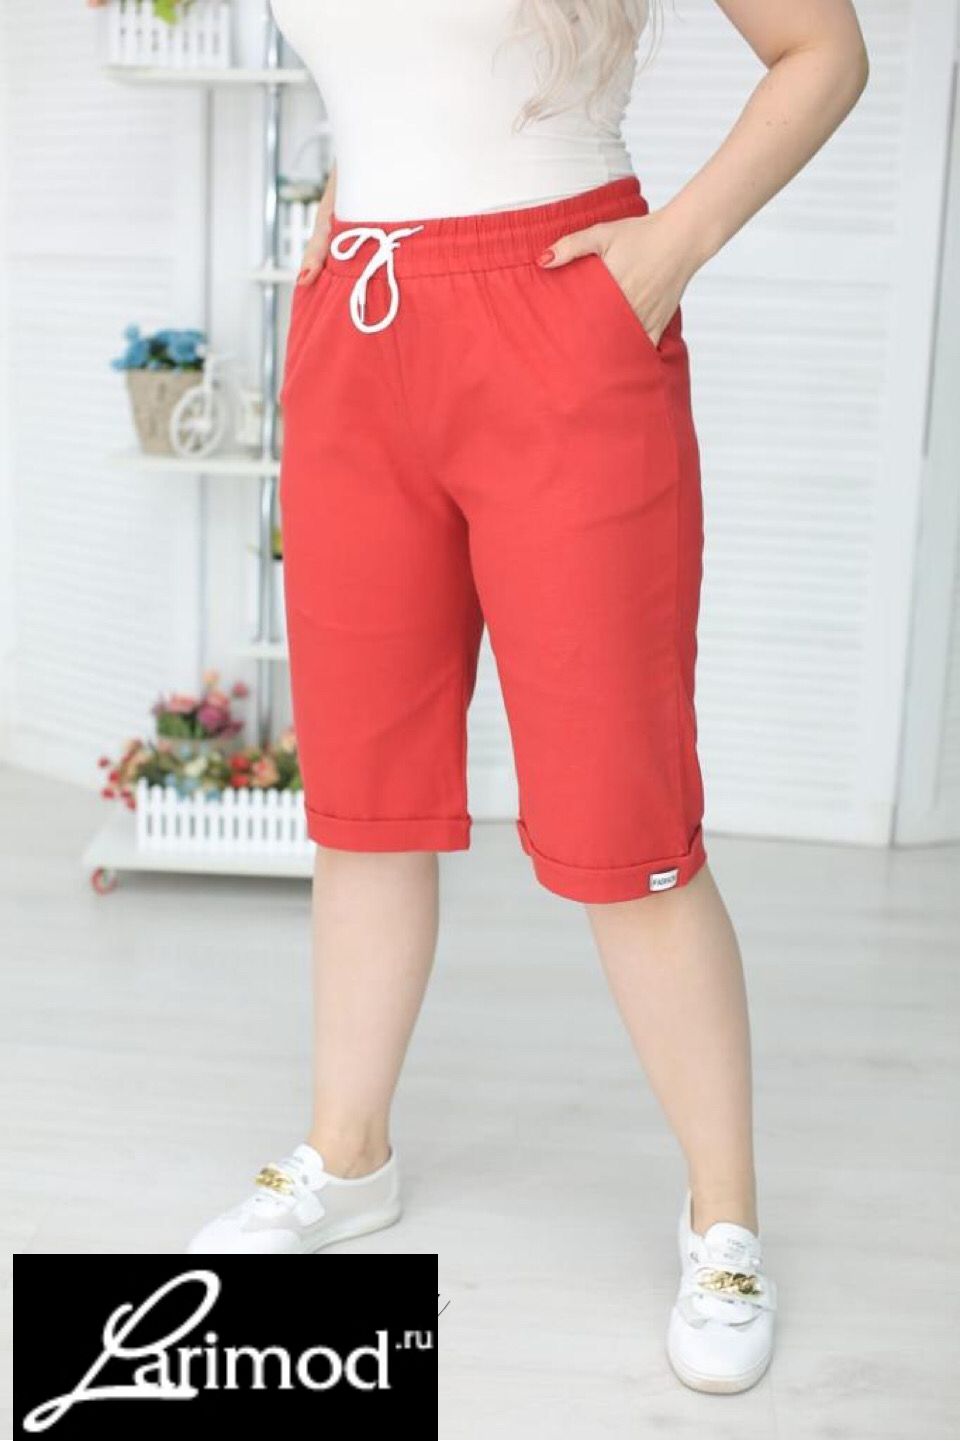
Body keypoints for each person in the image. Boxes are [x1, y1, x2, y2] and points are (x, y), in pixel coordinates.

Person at [181, 0, 869, 1396]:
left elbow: (827, 53)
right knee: (366, 799)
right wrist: (355, 186)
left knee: (626, 815)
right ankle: (350, 1157)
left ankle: (724, 1222)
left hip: (559, 311)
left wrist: (670, 249)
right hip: (359, 319)